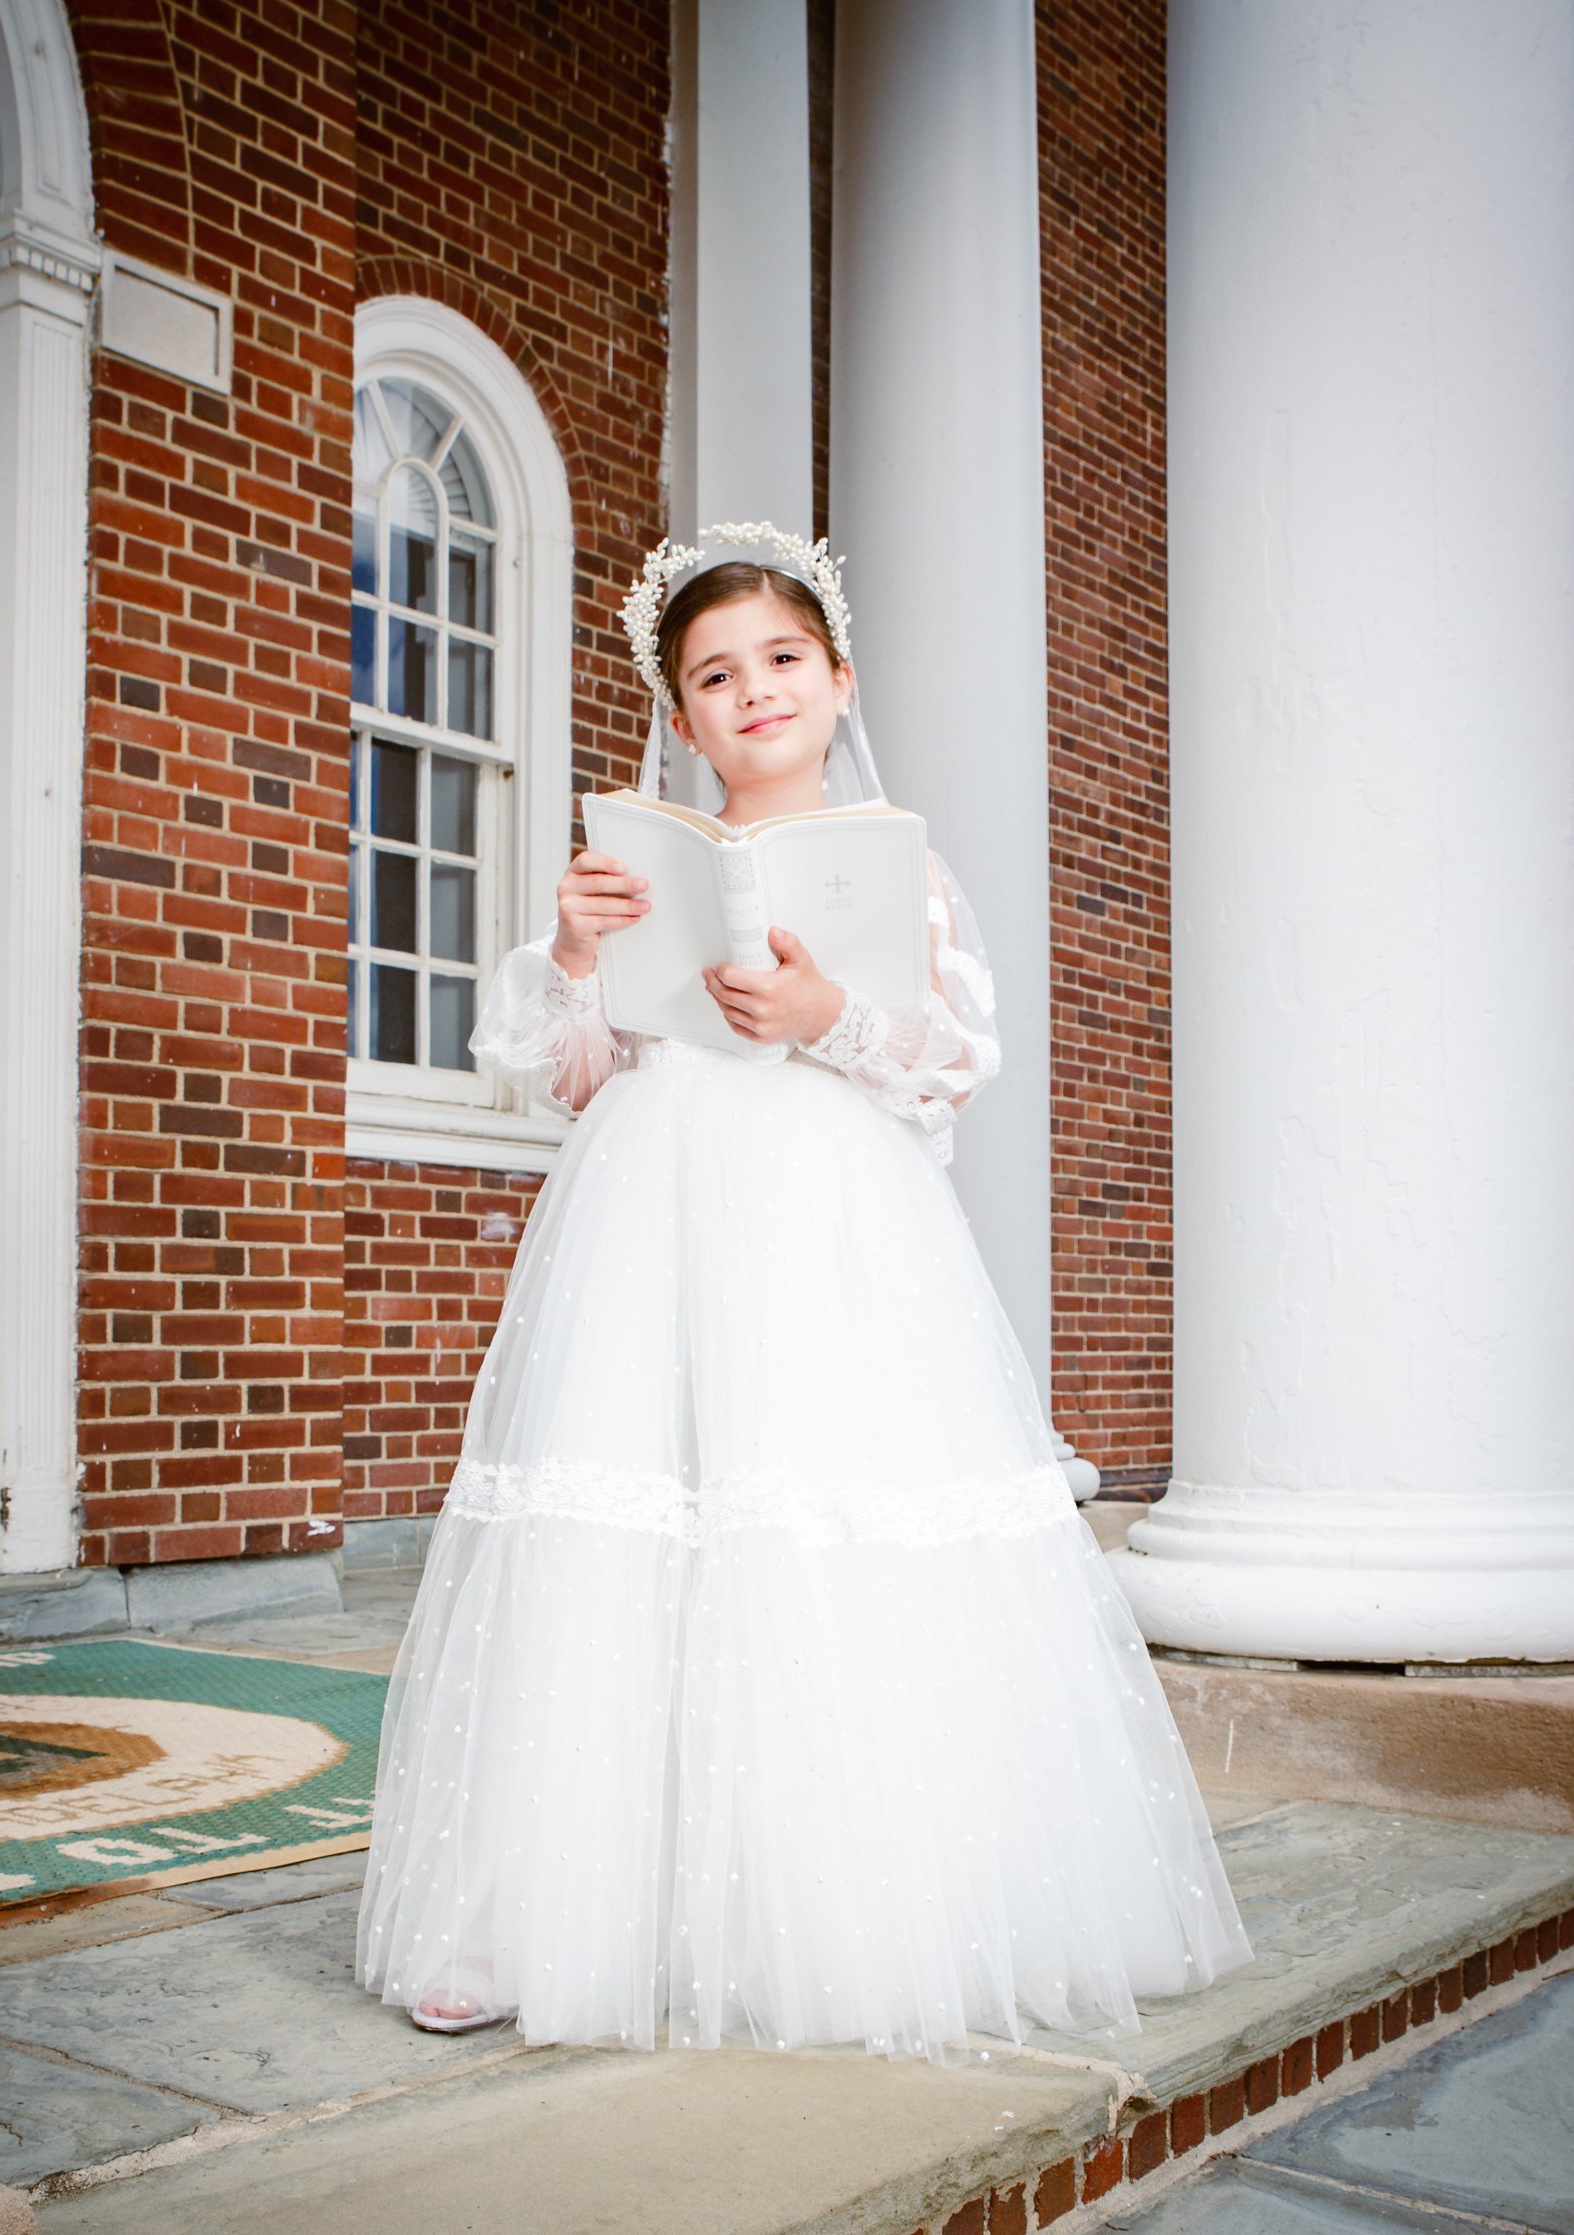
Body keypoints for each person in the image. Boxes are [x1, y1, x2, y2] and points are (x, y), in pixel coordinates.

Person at [354, 522, 1250, 2066]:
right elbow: (574, 1076)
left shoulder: (899, 864)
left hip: (832, 1229)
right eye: (714, 675)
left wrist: (829, 1010)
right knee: (619, 1529)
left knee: (819, 1518)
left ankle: (846, 1902)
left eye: (779, 659)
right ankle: (537, 1909)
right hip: (654, 1210)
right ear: (680, 713)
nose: (751, 691)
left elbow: (949, 1066)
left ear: (838, 677)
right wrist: (575, 956)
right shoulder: (638, 870)